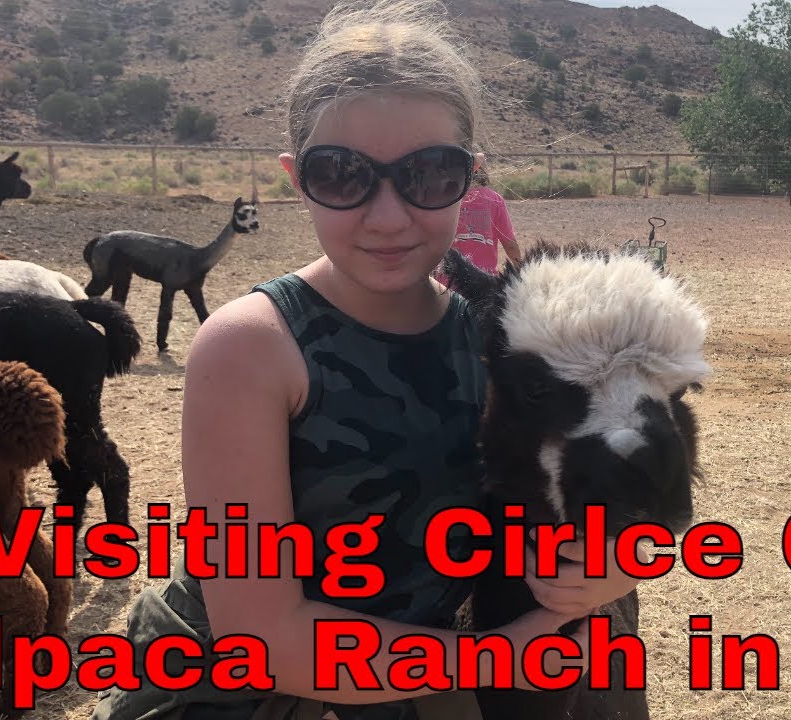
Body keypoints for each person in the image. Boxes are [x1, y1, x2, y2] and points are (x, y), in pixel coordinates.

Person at [92, 2, 645, 718]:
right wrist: (507, 653)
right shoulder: (252, 348)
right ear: (297, 177)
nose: (388, 216)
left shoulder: (508, 342)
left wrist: (602, 573)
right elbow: (260, 637)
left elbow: (595, 511)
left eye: (431, 173)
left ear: (471, 178)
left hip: (415, 681)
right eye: (342, 173)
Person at [433, 167, 522, 285]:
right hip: (484, 282)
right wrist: (520, 268)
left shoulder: (446, 198)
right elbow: (510, 245)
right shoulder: (495, 200)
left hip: (449, 281)